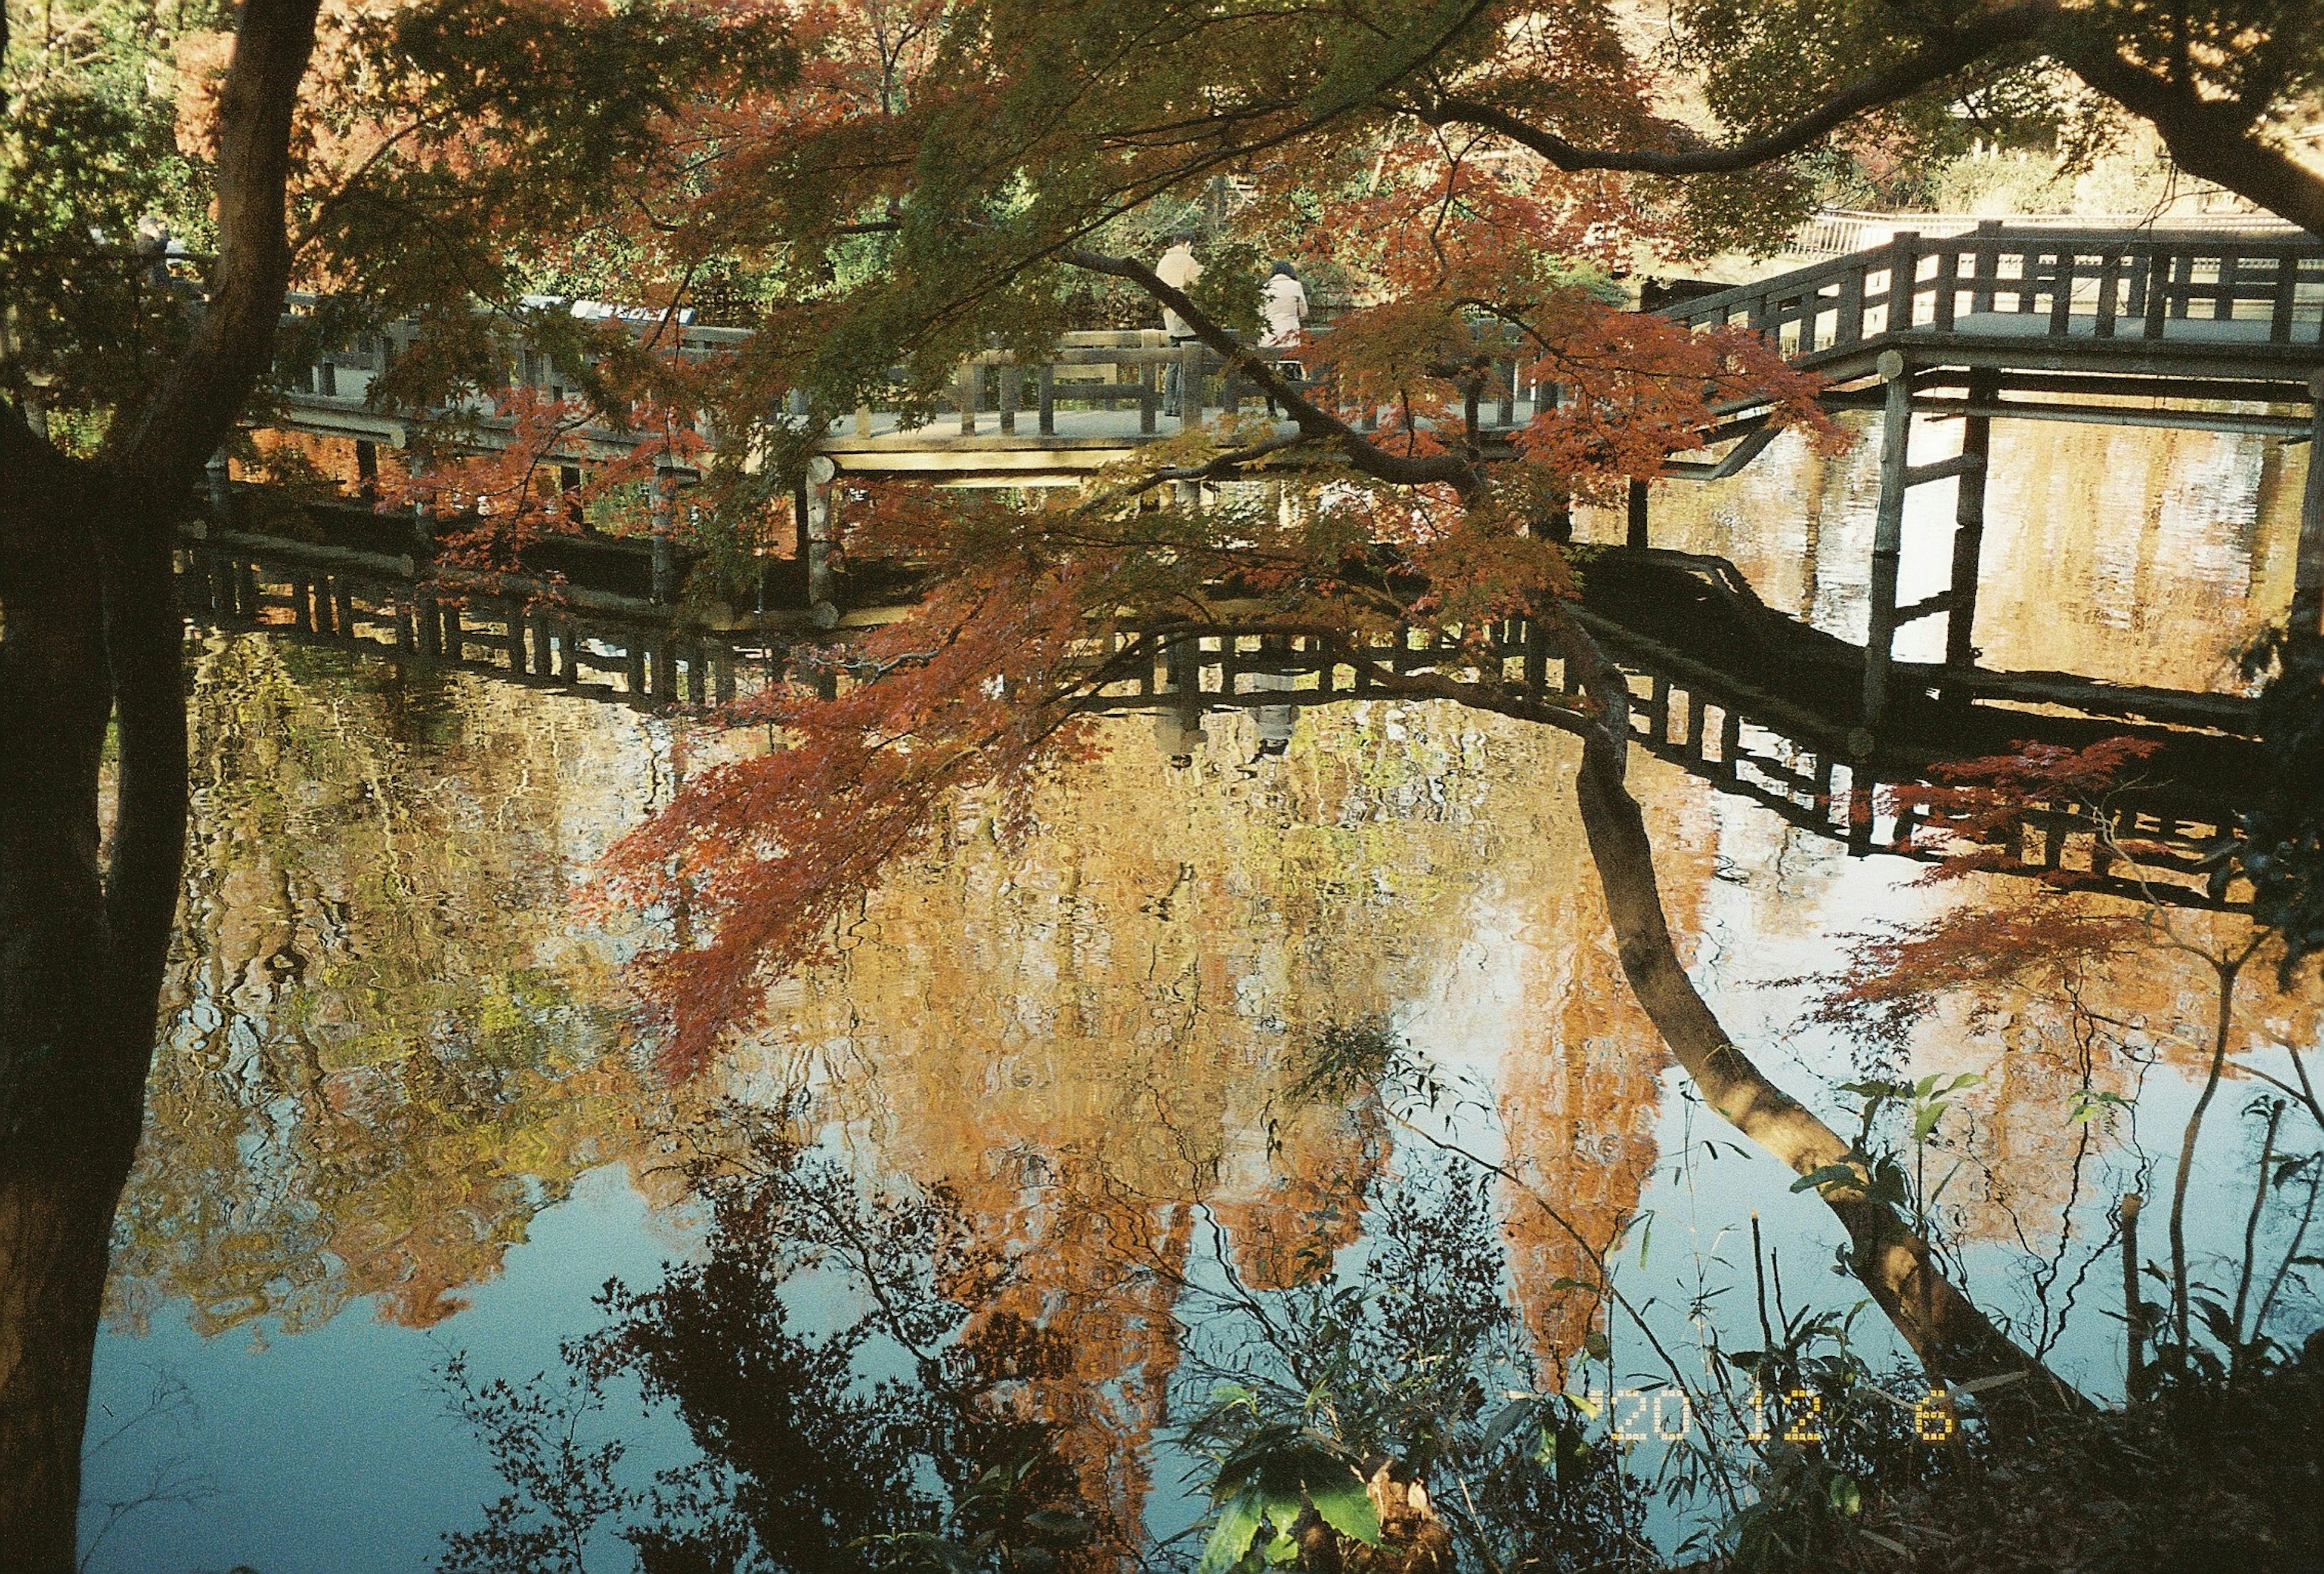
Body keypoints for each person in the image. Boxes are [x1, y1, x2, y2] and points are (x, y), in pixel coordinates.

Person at [1156, 235, 1201, 416]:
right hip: (1185, 312)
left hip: (1169, 313)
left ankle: (1168, 405)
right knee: (1188, 361)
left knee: (1173, 360)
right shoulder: (1189, 261)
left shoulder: (1163, 261)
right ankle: (1181, 405)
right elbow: (1198, 287)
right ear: (1188, 244)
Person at [1258, 261, 1308, 418]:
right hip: (1290, 334)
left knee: (1268, 373)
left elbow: (1260, 313)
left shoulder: (1265, 288)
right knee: (1292, 371)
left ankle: (1271, 410)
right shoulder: (1296, 286)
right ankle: (1293, 410)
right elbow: (1304, 311)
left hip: (1270, 334)